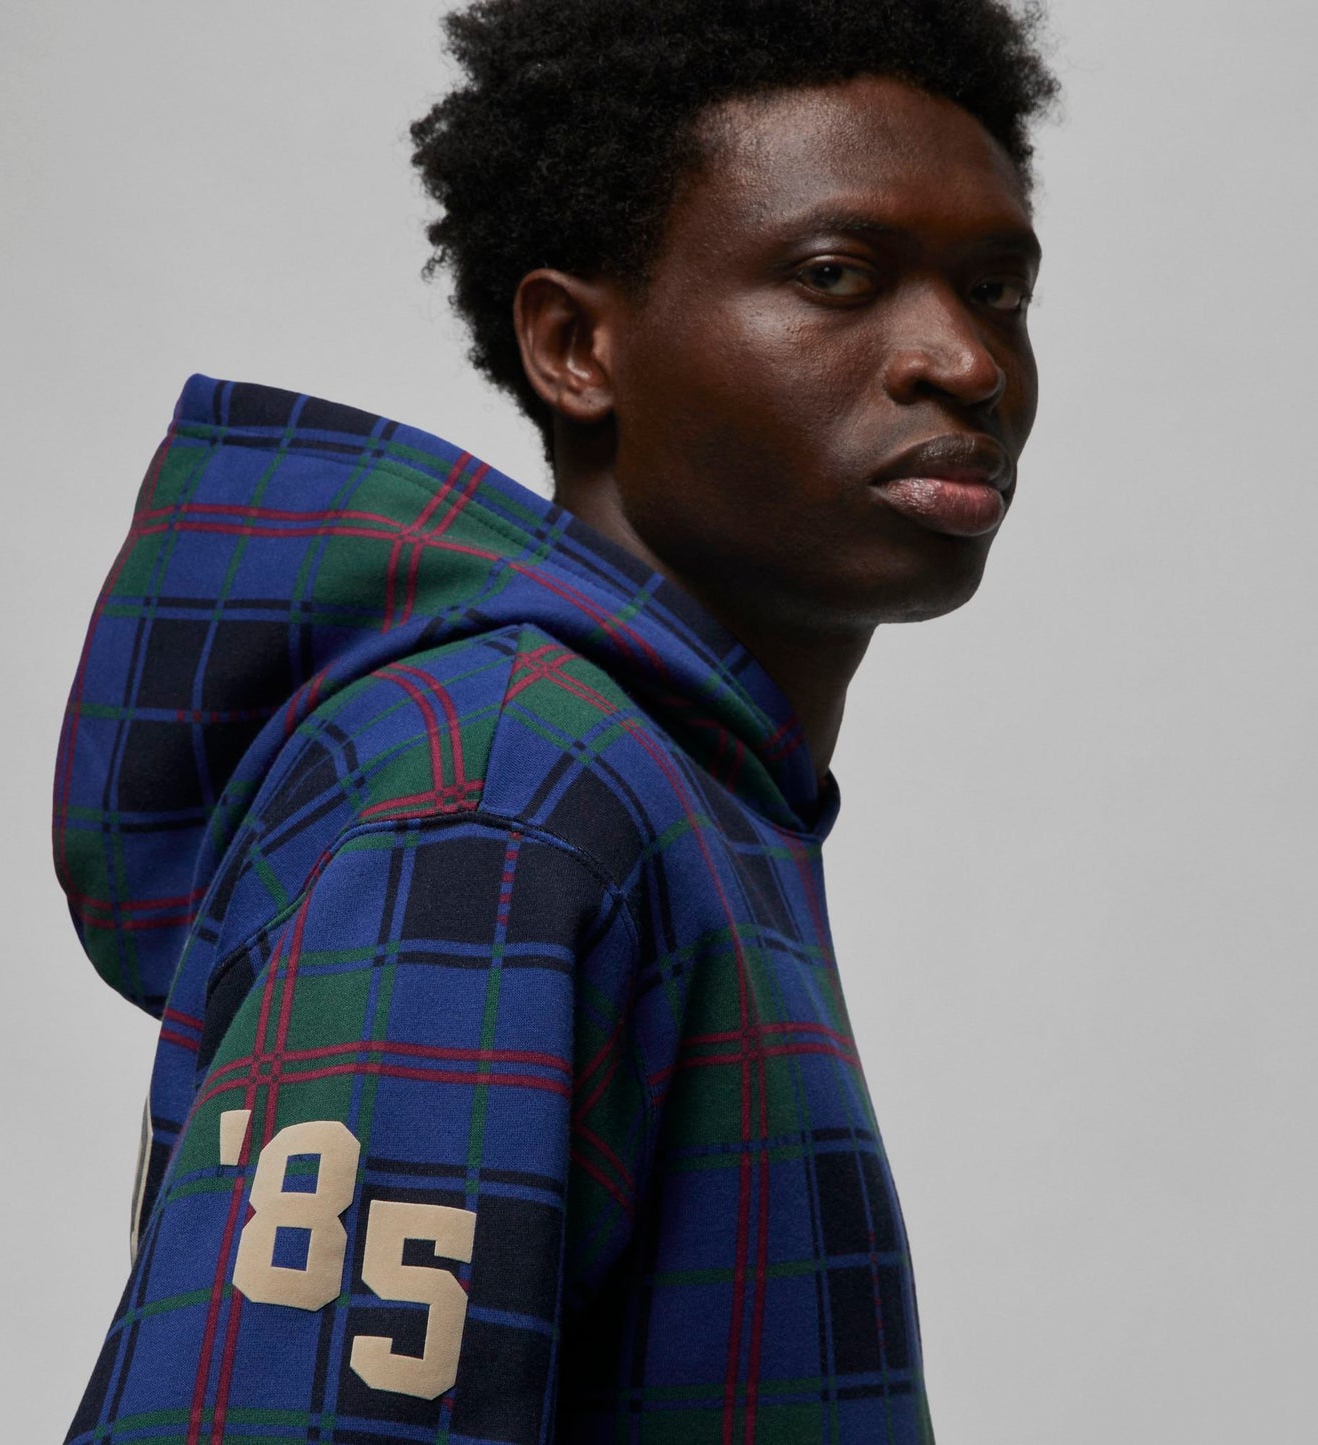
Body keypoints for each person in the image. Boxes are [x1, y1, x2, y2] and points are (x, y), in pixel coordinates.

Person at [55, 1, 1059, 1440]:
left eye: (997, 289)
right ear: (575, 345)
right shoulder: (501, 796)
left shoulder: (675, 783)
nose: (964, 361)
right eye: (836, 276)